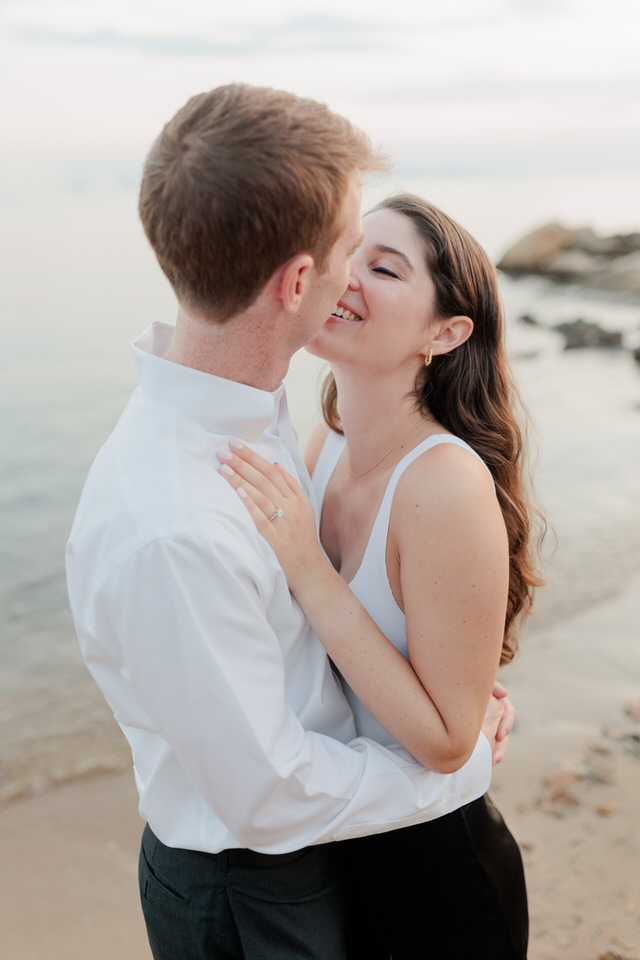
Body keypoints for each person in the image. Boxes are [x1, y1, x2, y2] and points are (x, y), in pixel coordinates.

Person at [65, 87, 512, 960]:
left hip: (343, 860)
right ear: (300, 282)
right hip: (251, 884)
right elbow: (266, 794)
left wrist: (451, 713)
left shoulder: (257, 411)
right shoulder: (174, 525)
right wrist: (460, 764)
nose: (358, 273)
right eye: (354, 247)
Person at [217, 193, 543, 958]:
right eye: (351, 255)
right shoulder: (322, 444)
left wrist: (307, 565)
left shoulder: (443, 484)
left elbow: (441, 742)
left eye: (386, 268)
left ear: (446, 332)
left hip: (438, 882)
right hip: (339, 854)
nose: (349, 277)